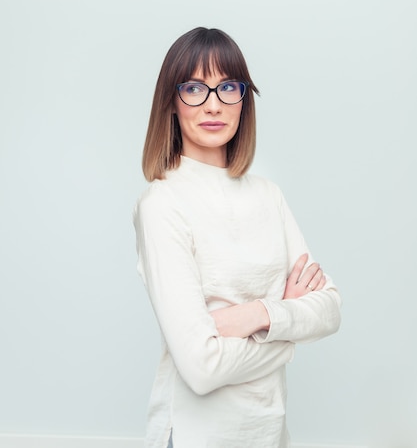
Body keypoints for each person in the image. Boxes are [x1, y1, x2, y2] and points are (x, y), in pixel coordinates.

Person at [133, 27, 341, 448]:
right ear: (171, 103)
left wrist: (258, 316)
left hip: (269, 431)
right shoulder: (162, 203)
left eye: (228, 86)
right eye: (194, 88)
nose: (213, 104)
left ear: (244, 100)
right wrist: (287, 335)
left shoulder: (268, 195)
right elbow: (201, 366)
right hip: (196, 435)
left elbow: (330, 309)